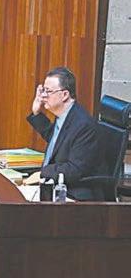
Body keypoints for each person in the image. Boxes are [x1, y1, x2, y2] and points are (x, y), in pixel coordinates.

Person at [22, 66, 107, 200]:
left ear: (65, 95)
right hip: (54, 185)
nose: (43, 96)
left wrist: (42, 173)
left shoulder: (83, 125)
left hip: (73, 194)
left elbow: (74, 169)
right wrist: (36, 113)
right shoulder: (65, 115)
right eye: (43, 91)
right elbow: (57, 140)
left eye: (48, 91)